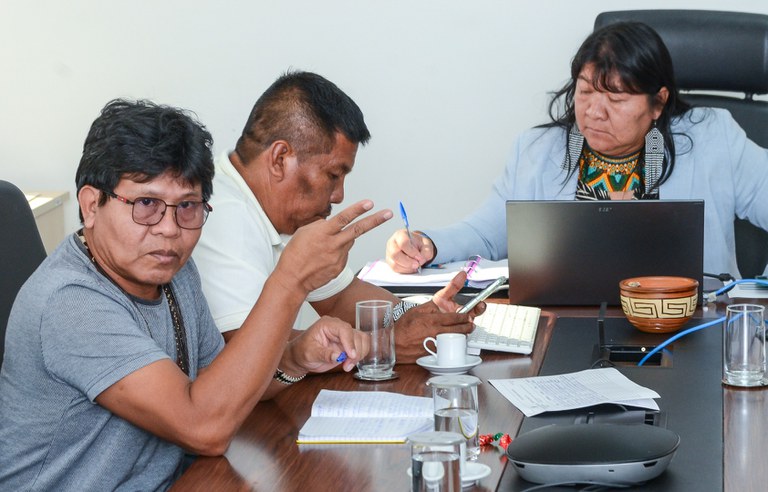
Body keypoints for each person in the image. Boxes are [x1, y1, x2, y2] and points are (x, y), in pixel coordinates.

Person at [0, 99, 390, 490]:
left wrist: (296, 356)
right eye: (146, 204)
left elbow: (221, 382)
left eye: (187, 206)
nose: (169, 229)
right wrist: (291, 281)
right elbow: (205, 427)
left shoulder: (174, 272)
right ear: (91, 205)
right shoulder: (71, 303)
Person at [386, 22, 768, 279]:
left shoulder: (713, 138)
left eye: (615, 97)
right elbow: (487, 235)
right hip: (565, 329)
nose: (594, 111)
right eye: (585, 91)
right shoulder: (538, 150)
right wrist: (428, 244)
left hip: (692, 330)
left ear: (657, 103)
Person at [193, 70, 481, 363]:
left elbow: (341, 298)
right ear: (280, 159)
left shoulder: (276, 209)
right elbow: (247, 358)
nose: (338, 195)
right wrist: (386, 344)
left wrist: (420, 314)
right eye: (333, 175)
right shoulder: (223, 217)